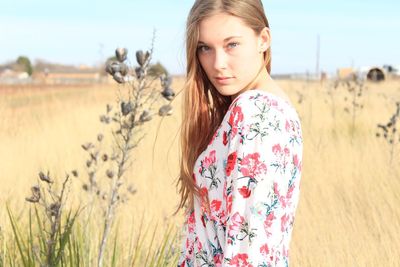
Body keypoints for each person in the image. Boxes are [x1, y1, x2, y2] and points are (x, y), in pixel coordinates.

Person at [174, 0, 303, 266]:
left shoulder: (255, 111)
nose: (218, 63)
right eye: (205, 48)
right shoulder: (273, 107)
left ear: (263, 40)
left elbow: (249, 250)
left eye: (232, 44)